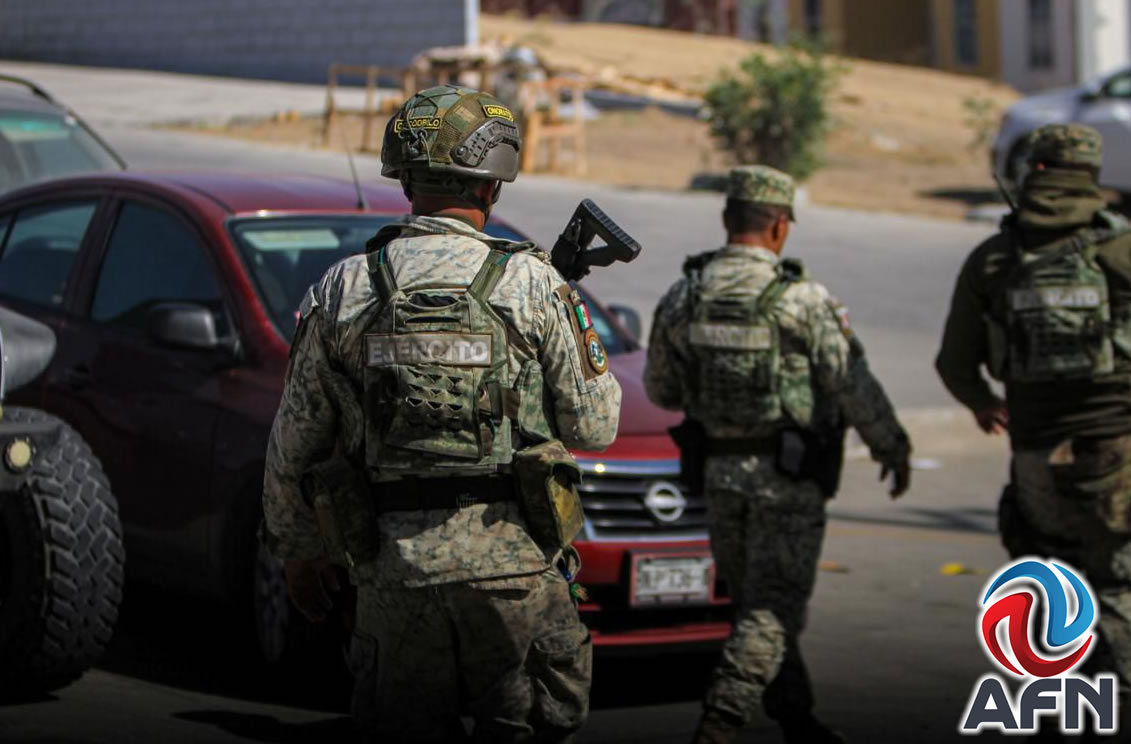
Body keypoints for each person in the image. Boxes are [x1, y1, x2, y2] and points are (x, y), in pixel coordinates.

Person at [262, 84, 622, 742]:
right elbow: (594, 426)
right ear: (492, 184)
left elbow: (294, 444)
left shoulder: (345, 287)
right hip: (513, 575)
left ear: (403, 178)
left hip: (394, 572)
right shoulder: (533, 283)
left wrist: (297, 553)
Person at [644, 165, 912, 744]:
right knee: (774, 609)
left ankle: (797, 717)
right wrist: (891, 445)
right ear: (780, 227)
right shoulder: (804, 301)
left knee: (753, 602)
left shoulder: (684, 294)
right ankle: (720, 721)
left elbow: (662, 391)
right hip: (787, 480)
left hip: (717, 475)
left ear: (726, 220)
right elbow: (851, 384)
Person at [936, 123, 1131, 729]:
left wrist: (982, 402)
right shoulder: (1122, 248)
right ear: (1092, 176)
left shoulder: (995, 256)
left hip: (1034, 452)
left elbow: (953, 362)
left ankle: (1063, 713)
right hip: (1116, 447)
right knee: (1117, 582)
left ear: (1035, 170)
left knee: (1053, 585)